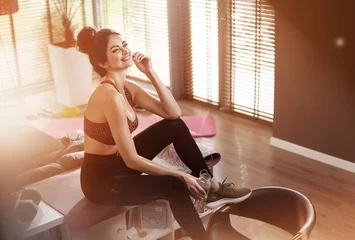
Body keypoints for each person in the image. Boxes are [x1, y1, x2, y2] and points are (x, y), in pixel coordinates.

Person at [76, 26, 251, 240]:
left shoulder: (127, 88)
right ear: (103, 63)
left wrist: (149, 71)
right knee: (174, 185)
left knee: (174, 126)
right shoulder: (108, 95)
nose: (124, 51)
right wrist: (182, 175)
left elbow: (173, 113)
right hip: (101, 182)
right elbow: (132, 160)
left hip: (118, 163)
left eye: (124, 45)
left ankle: (213, 187)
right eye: (115, 50)